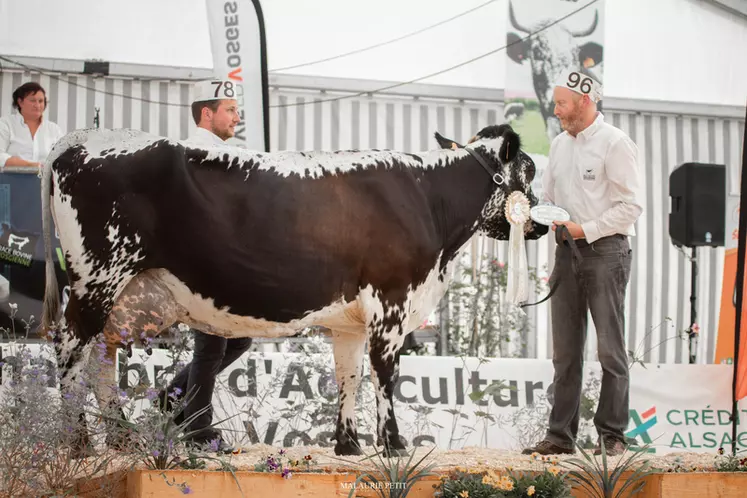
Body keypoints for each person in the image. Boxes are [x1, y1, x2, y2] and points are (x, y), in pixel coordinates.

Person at [523, 69, 643, 457]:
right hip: (565, 251)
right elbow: (550, 198)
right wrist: (531, 216)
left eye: (561, 103)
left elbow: (631, 207)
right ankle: (560, 437)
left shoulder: (616, 143)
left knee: (610, 347)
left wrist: (585, 229)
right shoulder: (559, 145)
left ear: (585, 101)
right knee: (565, 351)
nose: (555, 109)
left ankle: (612, 435)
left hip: (607, 251)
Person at [158, 79, 252, 453]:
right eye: (230, 109)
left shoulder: (210, 148)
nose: (237, 116)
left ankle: (170, 399)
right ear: (206, 113)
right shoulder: (198, 149)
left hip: (213, 256)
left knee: (238, 339)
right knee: (212, 346)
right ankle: (199, 430)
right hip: (205, 258)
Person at [0, 82, 63, 169]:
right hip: (12, 179)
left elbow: (63, 158)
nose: (37, 105)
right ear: (20, 102)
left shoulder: (54, 129)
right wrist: (30, 166)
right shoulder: (6, 124)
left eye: (41, 101)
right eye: (32, 100)